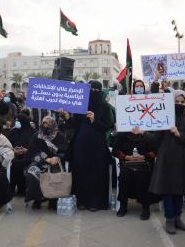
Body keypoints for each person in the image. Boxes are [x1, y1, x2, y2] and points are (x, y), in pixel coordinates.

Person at [133, 90, 185, 234]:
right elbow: (156, 138)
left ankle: (178, 218)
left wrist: (179, 134)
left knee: (179, 191)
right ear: (171, 102)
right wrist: (142, 133)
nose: (179, 104)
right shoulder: (164, 116)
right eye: (176, 101)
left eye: (182, 102)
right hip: (166, 159)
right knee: (167, 191)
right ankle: (169, 219)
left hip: (182, 159)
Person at [68, 80, 113, 211]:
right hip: (80, 144)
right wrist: (66, 116)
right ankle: (81, 200)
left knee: (97, 171)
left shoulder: (105, 107)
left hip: (97, 145)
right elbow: (73, 124)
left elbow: (107, 126)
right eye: (91, 90)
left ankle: (96, 202)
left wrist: (95, 120)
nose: (93, 93)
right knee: (81, 170)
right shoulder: (79, 105)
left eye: (96, 90)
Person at [112, 132, 160, 220]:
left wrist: (144, 157)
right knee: (124, 176)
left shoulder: (148, 135)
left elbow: (155, 151)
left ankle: (145, 207)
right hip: (127, 164)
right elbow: (115, 151)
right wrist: (126, 157)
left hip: (144, 165)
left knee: (143, 177)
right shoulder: (122, 134)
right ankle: (123, 206)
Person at [24, 116, 69, 209]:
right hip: (39, 162)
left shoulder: (59, 136)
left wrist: (57, 157)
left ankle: (53, 199)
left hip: (56, 163)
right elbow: (31, 152)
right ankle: (37, 199)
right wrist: (45, 159)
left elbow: (65, 151)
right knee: (32, 174)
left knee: (56, 174)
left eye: (47, 123)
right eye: (43, 123)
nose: (45, 125)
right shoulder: (37, 136)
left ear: (52, 124)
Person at [8, 114, 36, 195]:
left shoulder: (32, 132)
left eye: (18, 121)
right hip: (13, 154)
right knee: (13, 162)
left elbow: (35, 146)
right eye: (16, 121)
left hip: (27, 155)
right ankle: (11, 187)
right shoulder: (13, 131)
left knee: (21, 163)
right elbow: (8, 144)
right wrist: (13, 150)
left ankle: (22, 188)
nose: (16, 122)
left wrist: (26, 150)